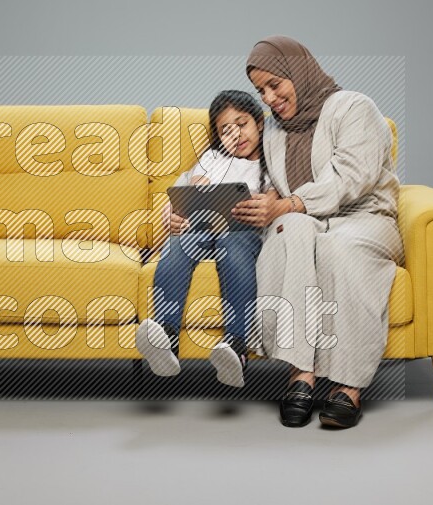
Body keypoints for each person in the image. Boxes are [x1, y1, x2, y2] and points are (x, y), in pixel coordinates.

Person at [231, 36, 404, 428]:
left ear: (299, 71)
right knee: (286, 231)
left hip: (364, 217)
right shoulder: (274, 132)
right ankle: (300, 371)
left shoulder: (354, 107)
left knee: (337, 250)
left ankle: (348, 384)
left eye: (275, 85)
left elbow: (350, 177)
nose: (270, 98)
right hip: (309, 220)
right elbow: (271, 184)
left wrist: (290, 203)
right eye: (261, 91)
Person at [136, 90, 271, 387]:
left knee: (233, 248)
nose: (236, 134)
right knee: (177, 245)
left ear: (259, 123)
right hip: (201, 226)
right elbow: (194, 187)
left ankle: (236, 346)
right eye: (226, 130)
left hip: (240, 232)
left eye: (242, 123)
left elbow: (274, 202)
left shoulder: (271, 162)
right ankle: (166, 339)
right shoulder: (213, 157)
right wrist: (175, 208)